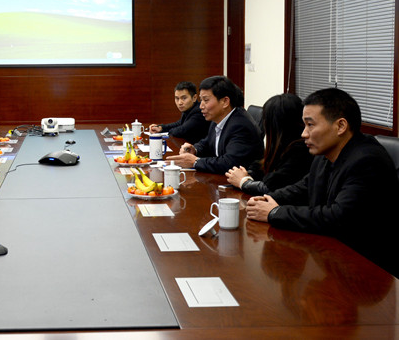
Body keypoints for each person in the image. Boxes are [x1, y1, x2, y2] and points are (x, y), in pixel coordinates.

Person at [246, 88, 398, 277]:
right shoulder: (326, 154)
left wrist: (275, 212)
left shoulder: (367, 161)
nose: (304, 133)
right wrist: (266, 199)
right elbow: (304, 187)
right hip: (331, 256)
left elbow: (337, 217)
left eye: (310, 125)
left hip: (366, 270)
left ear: (340, 126)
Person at [166, 76, 263, 174]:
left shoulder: (240, 126)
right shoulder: (217, 118)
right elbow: (207, 142)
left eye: (206, 100)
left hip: (238, 181)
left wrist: (195, 162)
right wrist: (194, 149)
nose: (201, 106)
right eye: (201, 100)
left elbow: (229, 163)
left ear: (225, 101)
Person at [226, 93, 313, 195]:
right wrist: (248, 174)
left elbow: (271, 186)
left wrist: (243, 182)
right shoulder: (284, 143)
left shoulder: (301, 149)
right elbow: (261, 165)